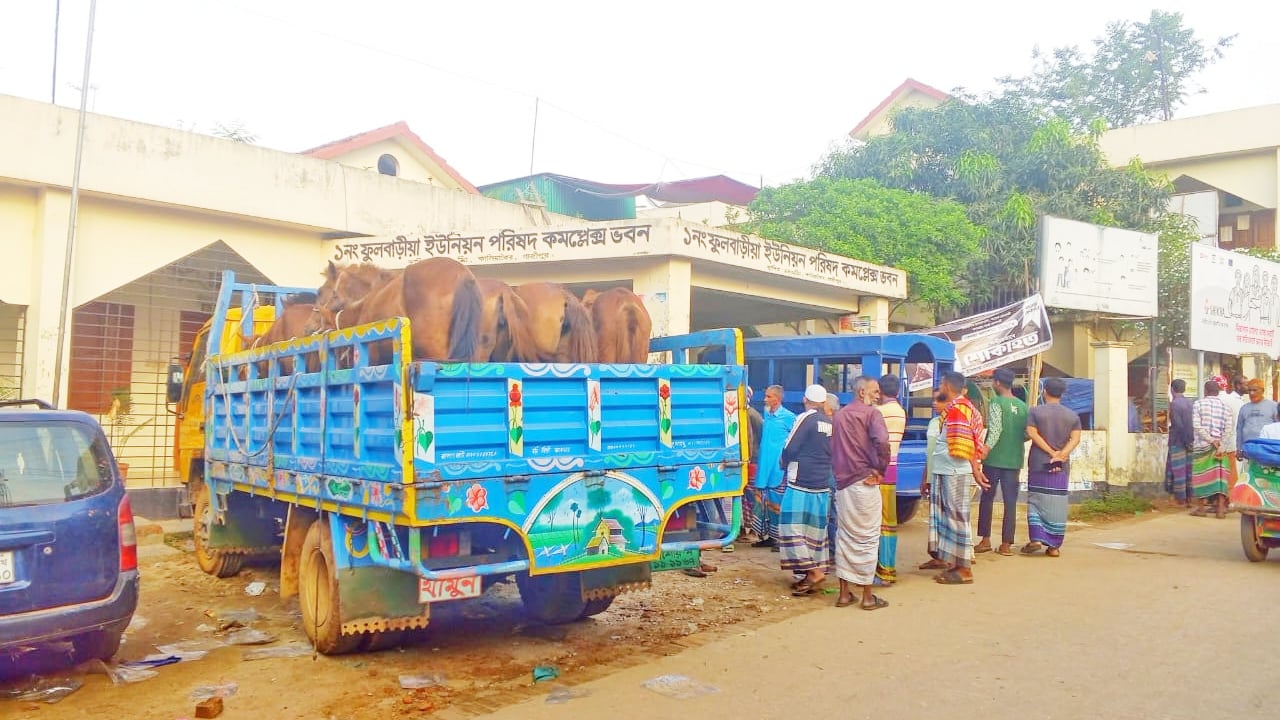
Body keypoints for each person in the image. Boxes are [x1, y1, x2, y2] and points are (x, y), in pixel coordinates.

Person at [831, 376, 889, 610]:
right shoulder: (872, 414)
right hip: (865, 480)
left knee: (844, 536)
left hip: (843, 482)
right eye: (875, 391)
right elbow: (883, 443)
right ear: (862, 391)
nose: (878, 395)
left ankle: (845, 594)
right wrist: (880, 470)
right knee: (867, 537)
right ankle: (867, 596)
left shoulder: (840, 415)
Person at [931, 371, 988, 585]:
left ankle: (964, 569)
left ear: (946, 386)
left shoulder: (958, 409)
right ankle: (956, 564)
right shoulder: (960, 407)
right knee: (953, 518)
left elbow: (963, 445)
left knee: (957, 519)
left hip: (954, 470)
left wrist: (974, 467)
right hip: (952, 470)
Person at [778, 385, 835, 596]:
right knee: (815, 532)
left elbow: (790, 448)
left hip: (800, 481)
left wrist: (783, 464)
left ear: (805, 399)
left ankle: (813, 571)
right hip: (821, 484)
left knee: (790, 528)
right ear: (823, 402)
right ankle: (810, 575)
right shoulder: (830, 422)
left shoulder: (805, 418)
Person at [1021, 378, 1082, 556]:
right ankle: (1054, 546)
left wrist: (1050, 451)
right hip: (1060, 467)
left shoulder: (1035, 412)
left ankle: (1035, 539)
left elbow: (1032, 433)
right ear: (1062, 393)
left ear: (1044, 391)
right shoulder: (1072, 416)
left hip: (1039, 462)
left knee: (1035, 501)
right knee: (1058, 504)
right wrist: (1061, 455)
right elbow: (1076, 439)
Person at [975, 368, 1028, 557]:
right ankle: (1006, 544)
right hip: (1014, 459)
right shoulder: (1022, 406)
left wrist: (985, 450)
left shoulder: (996, 402)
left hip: (995, 459)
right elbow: (1028, 433)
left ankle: (985, 540)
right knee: (1010, 502)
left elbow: (995, 429)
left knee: (987, 498)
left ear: (997, 383)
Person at [751, 385, 795, 549]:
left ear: (778, 398)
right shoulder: (767, 415)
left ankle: (781, 539)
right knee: (763, 502)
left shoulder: (789, 417)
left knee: (777, 503)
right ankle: (768, 536)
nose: (765, 399)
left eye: (769, 397)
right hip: (764, 466)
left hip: (777, 468)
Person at [874, 374, 907, 585]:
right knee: (889, 522)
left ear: (881, 391)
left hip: (879, 470)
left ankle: (884, 569)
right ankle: (888, 567)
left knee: (879, 522)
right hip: (892, 470)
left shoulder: (879, 412)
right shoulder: (900, 411)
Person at [1191, 379, 1233, 518]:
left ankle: (1201, 508)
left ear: (1206, 391)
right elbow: (1229, 429)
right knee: (1220, 478)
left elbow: (1197, 426)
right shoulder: (1226, 407)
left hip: (1202, 447)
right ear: (1218, 391)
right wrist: (1220, 443)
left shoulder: (1198, 404)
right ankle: (1220, 509)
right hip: (1220, 449)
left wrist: (1210, 440)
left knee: (1200, 477)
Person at [920, 392, 950, 571]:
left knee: (948, 518)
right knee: (935, 519)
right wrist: (925, 477)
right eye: (934, 400)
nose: (934, 403)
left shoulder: (951, 423)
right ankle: (937, 556)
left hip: (946, 476)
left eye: (939, 400)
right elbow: (929, 453)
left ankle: (950, 557)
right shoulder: (932, 423)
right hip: (933, 476)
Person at [1235, 378, 1277, 485]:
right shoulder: (1244, 408)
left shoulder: (1273, 406)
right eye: (1249, 390)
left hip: (1267, 452)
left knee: (1267, 478)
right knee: (1249, 477)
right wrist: (1238, 448)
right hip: (1248, 450)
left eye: (1254, 390)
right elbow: (1239, 429)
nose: (1251, 393)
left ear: (1262, 390)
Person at [1164, 379, 1195, 506]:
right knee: (1188, 470)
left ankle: (1180, 498)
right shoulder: (1190, 403)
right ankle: (1189, 497)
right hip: (1190, 440)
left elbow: (1178, 425)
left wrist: (1184, 440)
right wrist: (1189, 441)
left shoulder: (1174, 404)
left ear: (1172, 389)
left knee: (1177, 470)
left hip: (1178, 441)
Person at [1219, 375, 1246, 489]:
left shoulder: (1239, 401)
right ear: (1238, 385)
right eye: (1245, 384)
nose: (1247, 386)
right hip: (1232, 441)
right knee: (1234, 472)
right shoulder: (1232, 401)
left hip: (1233, 441)